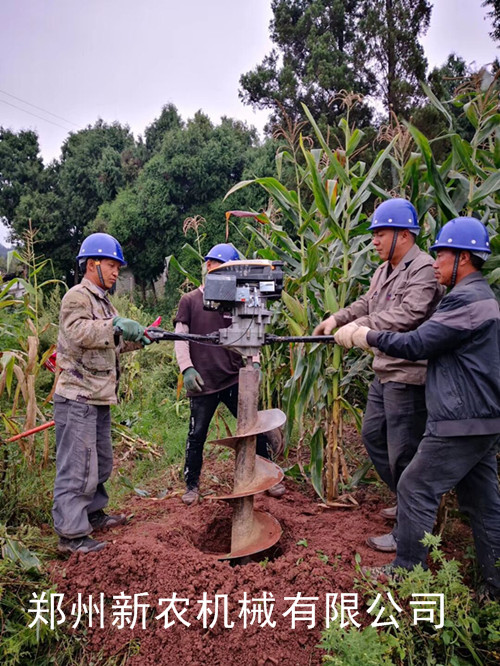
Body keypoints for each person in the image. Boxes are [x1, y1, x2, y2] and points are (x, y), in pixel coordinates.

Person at [346, 217, 500, 597]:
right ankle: (493, 586)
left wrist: (366, 335)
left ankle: (406, 574)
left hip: (459, 419)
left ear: (463, 258)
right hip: (484, 418)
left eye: (442, 254)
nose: (435, 262)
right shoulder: (481, 297)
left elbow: (417, 343)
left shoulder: (466, 302)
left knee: (414, 486)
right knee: (483, 503)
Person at [313, 198, 444, 552]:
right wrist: (339, 319)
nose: (373, 241)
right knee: (372, 436)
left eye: (380, 233)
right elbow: (368, 304)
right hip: (383, 369)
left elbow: (409, 314)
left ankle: (411, 525)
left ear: (404, 234)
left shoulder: (423, 269)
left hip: (408, 373)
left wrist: (361, 328)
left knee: (403, 451)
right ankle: (407, 500)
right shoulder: (384, 268)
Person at [53, 233, 151, 554]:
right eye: (111, 265)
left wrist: (140, 337)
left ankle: (93, 514)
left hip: (98, 395)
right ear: (92, 264)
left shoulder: (104, 302)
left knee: (100, 461)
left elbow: (111, 343)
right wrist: (117, 324)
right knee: (77, 465)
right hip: (77, 395)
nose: (115, 273)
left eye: (117, 267)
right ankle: (71, 534)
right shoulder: (76, 297)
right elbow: (80, 332)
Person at [174, 243, 286, 505]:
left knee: (252, 429)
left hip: (235, 377)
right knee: (197, 434)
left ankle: (267, 475)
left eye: (222, 266)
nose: (214, 269)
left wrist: (255, 361)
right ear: (207, 266)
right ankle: (192, 485)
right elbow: (180, 338)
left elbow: (252, 333)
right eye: (212, 264)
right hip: (203, 381)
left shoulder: (238, 298)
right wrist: (186, 368)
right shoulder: (190, 300)